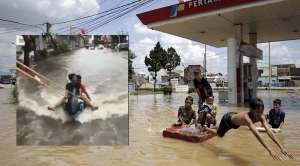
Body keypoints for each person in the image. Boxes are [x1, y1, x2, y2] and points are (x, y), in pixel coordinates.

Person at [205, 98, 294, 160]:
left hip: (236, 121)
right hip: (227, 120)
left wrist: (282, 148)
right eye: (257, 112)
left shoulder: (261, 116)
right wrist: (270, 150)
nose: (260, 114)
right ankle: (206, 129)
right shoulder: (247, 118)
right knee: (219, 135)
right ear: (251, 110)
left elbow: (269, 131)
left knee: (221, 129)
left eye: (261, 111)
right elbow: (257, 134)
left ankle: (216, 127)